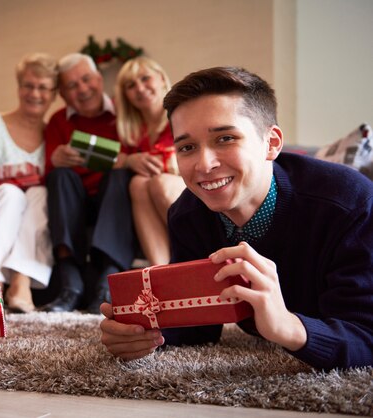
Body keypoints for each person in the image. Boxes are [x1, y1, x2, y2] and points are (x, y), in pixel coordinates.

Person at [100, 66, 373, 370]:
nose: (204, 165)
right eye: (187, 147)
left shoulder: (350, 203)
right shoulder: (187, 215)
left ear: (271, 144)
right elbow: (201, 326)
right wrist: (143, 332)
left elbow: (365, 336)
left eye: (225, 138)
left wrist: (289, 327)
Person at [41, 53, 136, 314]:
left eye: (86, 80)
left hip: (114, 197)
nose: (82, 89)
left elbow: (138, 157)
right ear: (62, 93)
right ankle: (70, 284)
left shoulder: (124, 111)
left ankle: (108, 283)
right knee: (58, 175)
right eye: (72, 86)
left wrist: (125, 160)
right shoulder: (59, 121)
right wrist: (56, 159)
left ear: (98, 79)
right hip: (77, 201)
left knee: (120, 176)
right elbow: (47, 173)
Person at [0, 53, 58, 313]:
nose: (35, 93)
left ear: (54, 93)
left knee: (41, 193)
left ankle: (20, 283)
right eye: (28, 85)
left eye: (43, 87)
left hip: (33, 205)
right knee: (11, 193)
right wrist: (15, 175)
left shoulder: (52, 134)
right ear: (19, 87)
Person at [115, 57, 186, 265]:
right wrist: (129, 159)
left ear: (162, 79)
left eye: (145, 79)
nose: (139, 88)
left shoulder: (181, 114)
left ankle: (199, 251)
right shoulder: (131, 131)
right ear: (126, 96)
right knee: (137, 183)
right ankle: (160, 272)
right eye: (131, 85)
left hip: (189, 186)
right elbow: (113, 159)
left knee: (159, 182)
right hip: (152, 196)